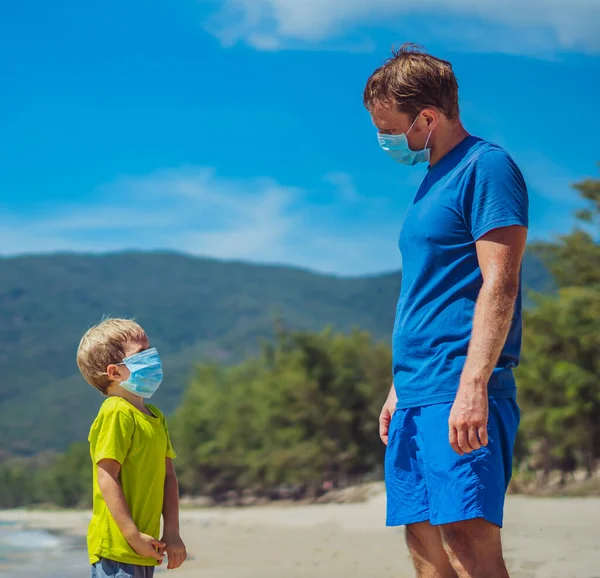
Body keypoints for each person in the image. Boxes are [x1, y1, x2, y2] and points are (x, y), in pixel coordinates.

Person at [364, 44, 528, 578]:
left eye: (389, 128)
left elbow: (500, 283)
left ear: (428, 118)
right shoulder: (429, 183)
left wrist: (474, 382)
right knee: (424, 545)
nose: (384, 141)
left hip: (458, 386)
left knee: (468, 546)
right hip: (418, 390)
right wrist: (398, 386)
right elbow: (427, 291)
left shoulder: (487, 168)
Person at [77, 318, 187, 578]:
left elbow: (168, 478)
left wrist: (172, 532)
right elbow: (107, 477)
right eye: (141, 353)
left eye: (150, 349)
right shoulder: (116, 412)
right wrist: (132, 534)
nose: (152, 358)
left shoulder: (155, 416)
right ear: (114, 372)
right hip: (117, 548)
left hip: (144, 547)